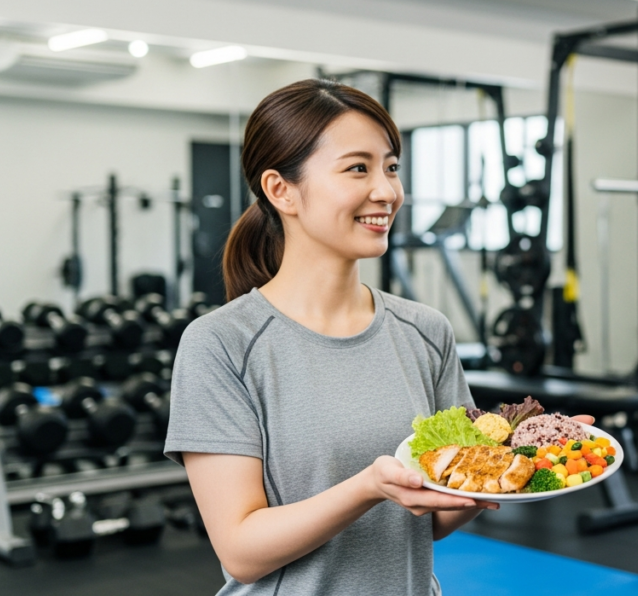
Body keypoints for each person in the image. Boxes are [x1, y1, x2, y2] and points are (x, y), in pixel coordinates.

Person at [164, 79, 590, 595]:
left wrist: (525, 466)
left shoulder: (425, 331)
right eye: (357, 168)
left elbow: (430, 518)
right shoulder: (222, 344)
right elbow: (241, 550)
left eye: (391, 167)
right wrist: (368, 488)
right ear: (281, 190)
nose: (387, 191)